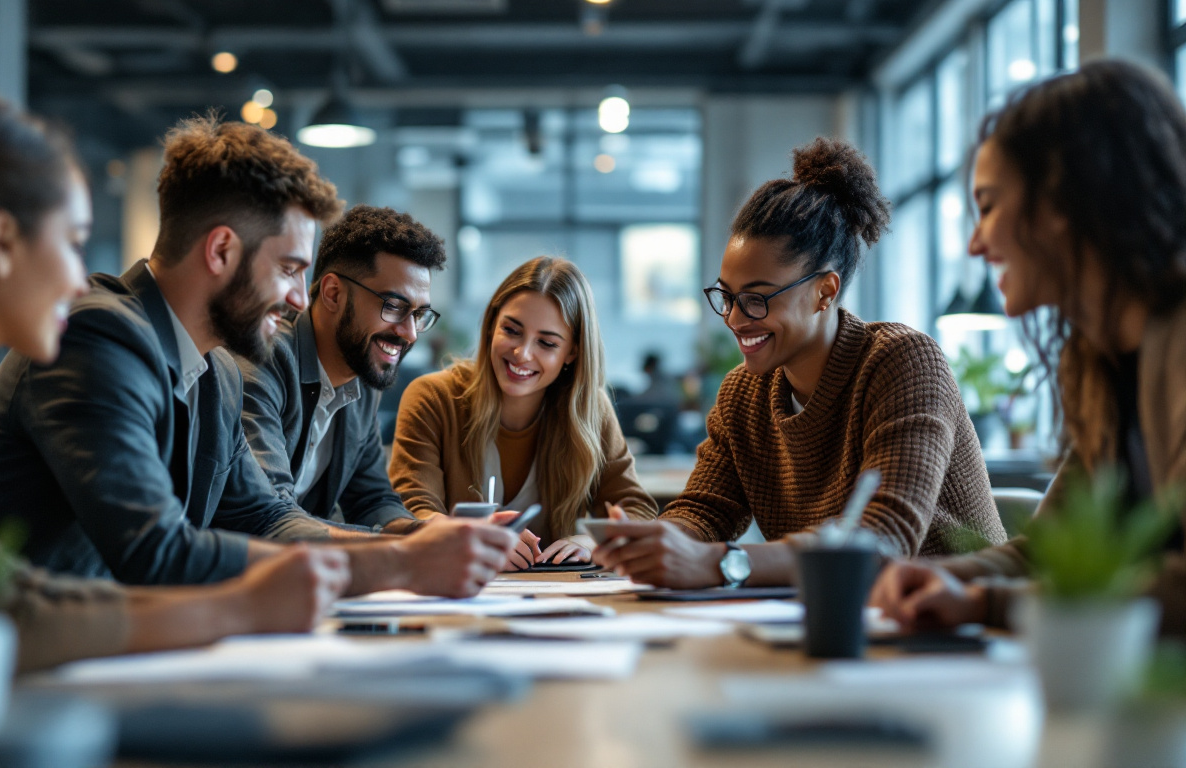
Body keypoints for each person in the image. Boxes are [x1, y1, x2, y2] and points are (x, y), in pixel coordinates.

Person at [0, 90, 351, 710]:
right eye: (73, 240)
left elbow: (3, 587)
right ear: (2, 241)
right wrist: (233, 609)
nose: (78, 278)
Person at [0, 113, 514, 594]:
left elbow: (265, 516)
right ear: (221, 251)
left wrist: (417, 549)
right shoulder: (98, 339)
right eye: (289, 270)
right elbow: (155, 550)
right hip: (9, 671)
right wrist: (398, 564)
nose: (301, 300)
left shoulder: (216, 370)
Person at [593, 138, 1007, 588]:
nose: (733, 318)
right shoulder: (744, 394)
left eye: (756, 299)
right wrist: (658, 541)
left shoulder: (902, 363)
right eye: (727, 297)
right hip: (838, 621)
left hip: (958, 624)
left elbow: (884, 538)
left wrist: (720, 564)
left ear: (825, 292)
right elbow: (705, 510)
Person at [870, 60, 1186, 635]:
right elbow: (1052, 550)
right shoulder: (1097, 362)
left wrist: (988, 605)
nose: (974, 243)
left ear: (1063, 201)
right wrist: (946, 578)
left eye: (988, 206)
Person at [390, 256, 658, 570]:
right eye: (512, 330)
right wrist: (470, 538)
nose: (523, 354)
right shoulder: (434, 398)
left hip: (556, 600)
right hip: (453, 590)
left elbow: (636, 509)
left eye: (546, 342)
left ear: (572, 351)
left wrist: (590, 540)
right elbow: (412, 512)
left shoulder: (590, 409)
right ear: (492, 326)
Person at [238, 206, 443, 534]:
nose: (410, 333)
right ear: (333, 293)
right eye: (393, 306)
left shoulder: (363, 373)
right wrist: (407, 551)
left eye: (419, 314)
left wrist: (423, 533)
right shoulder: (264, 358)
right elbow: (268, 514)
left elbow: (371, 499)